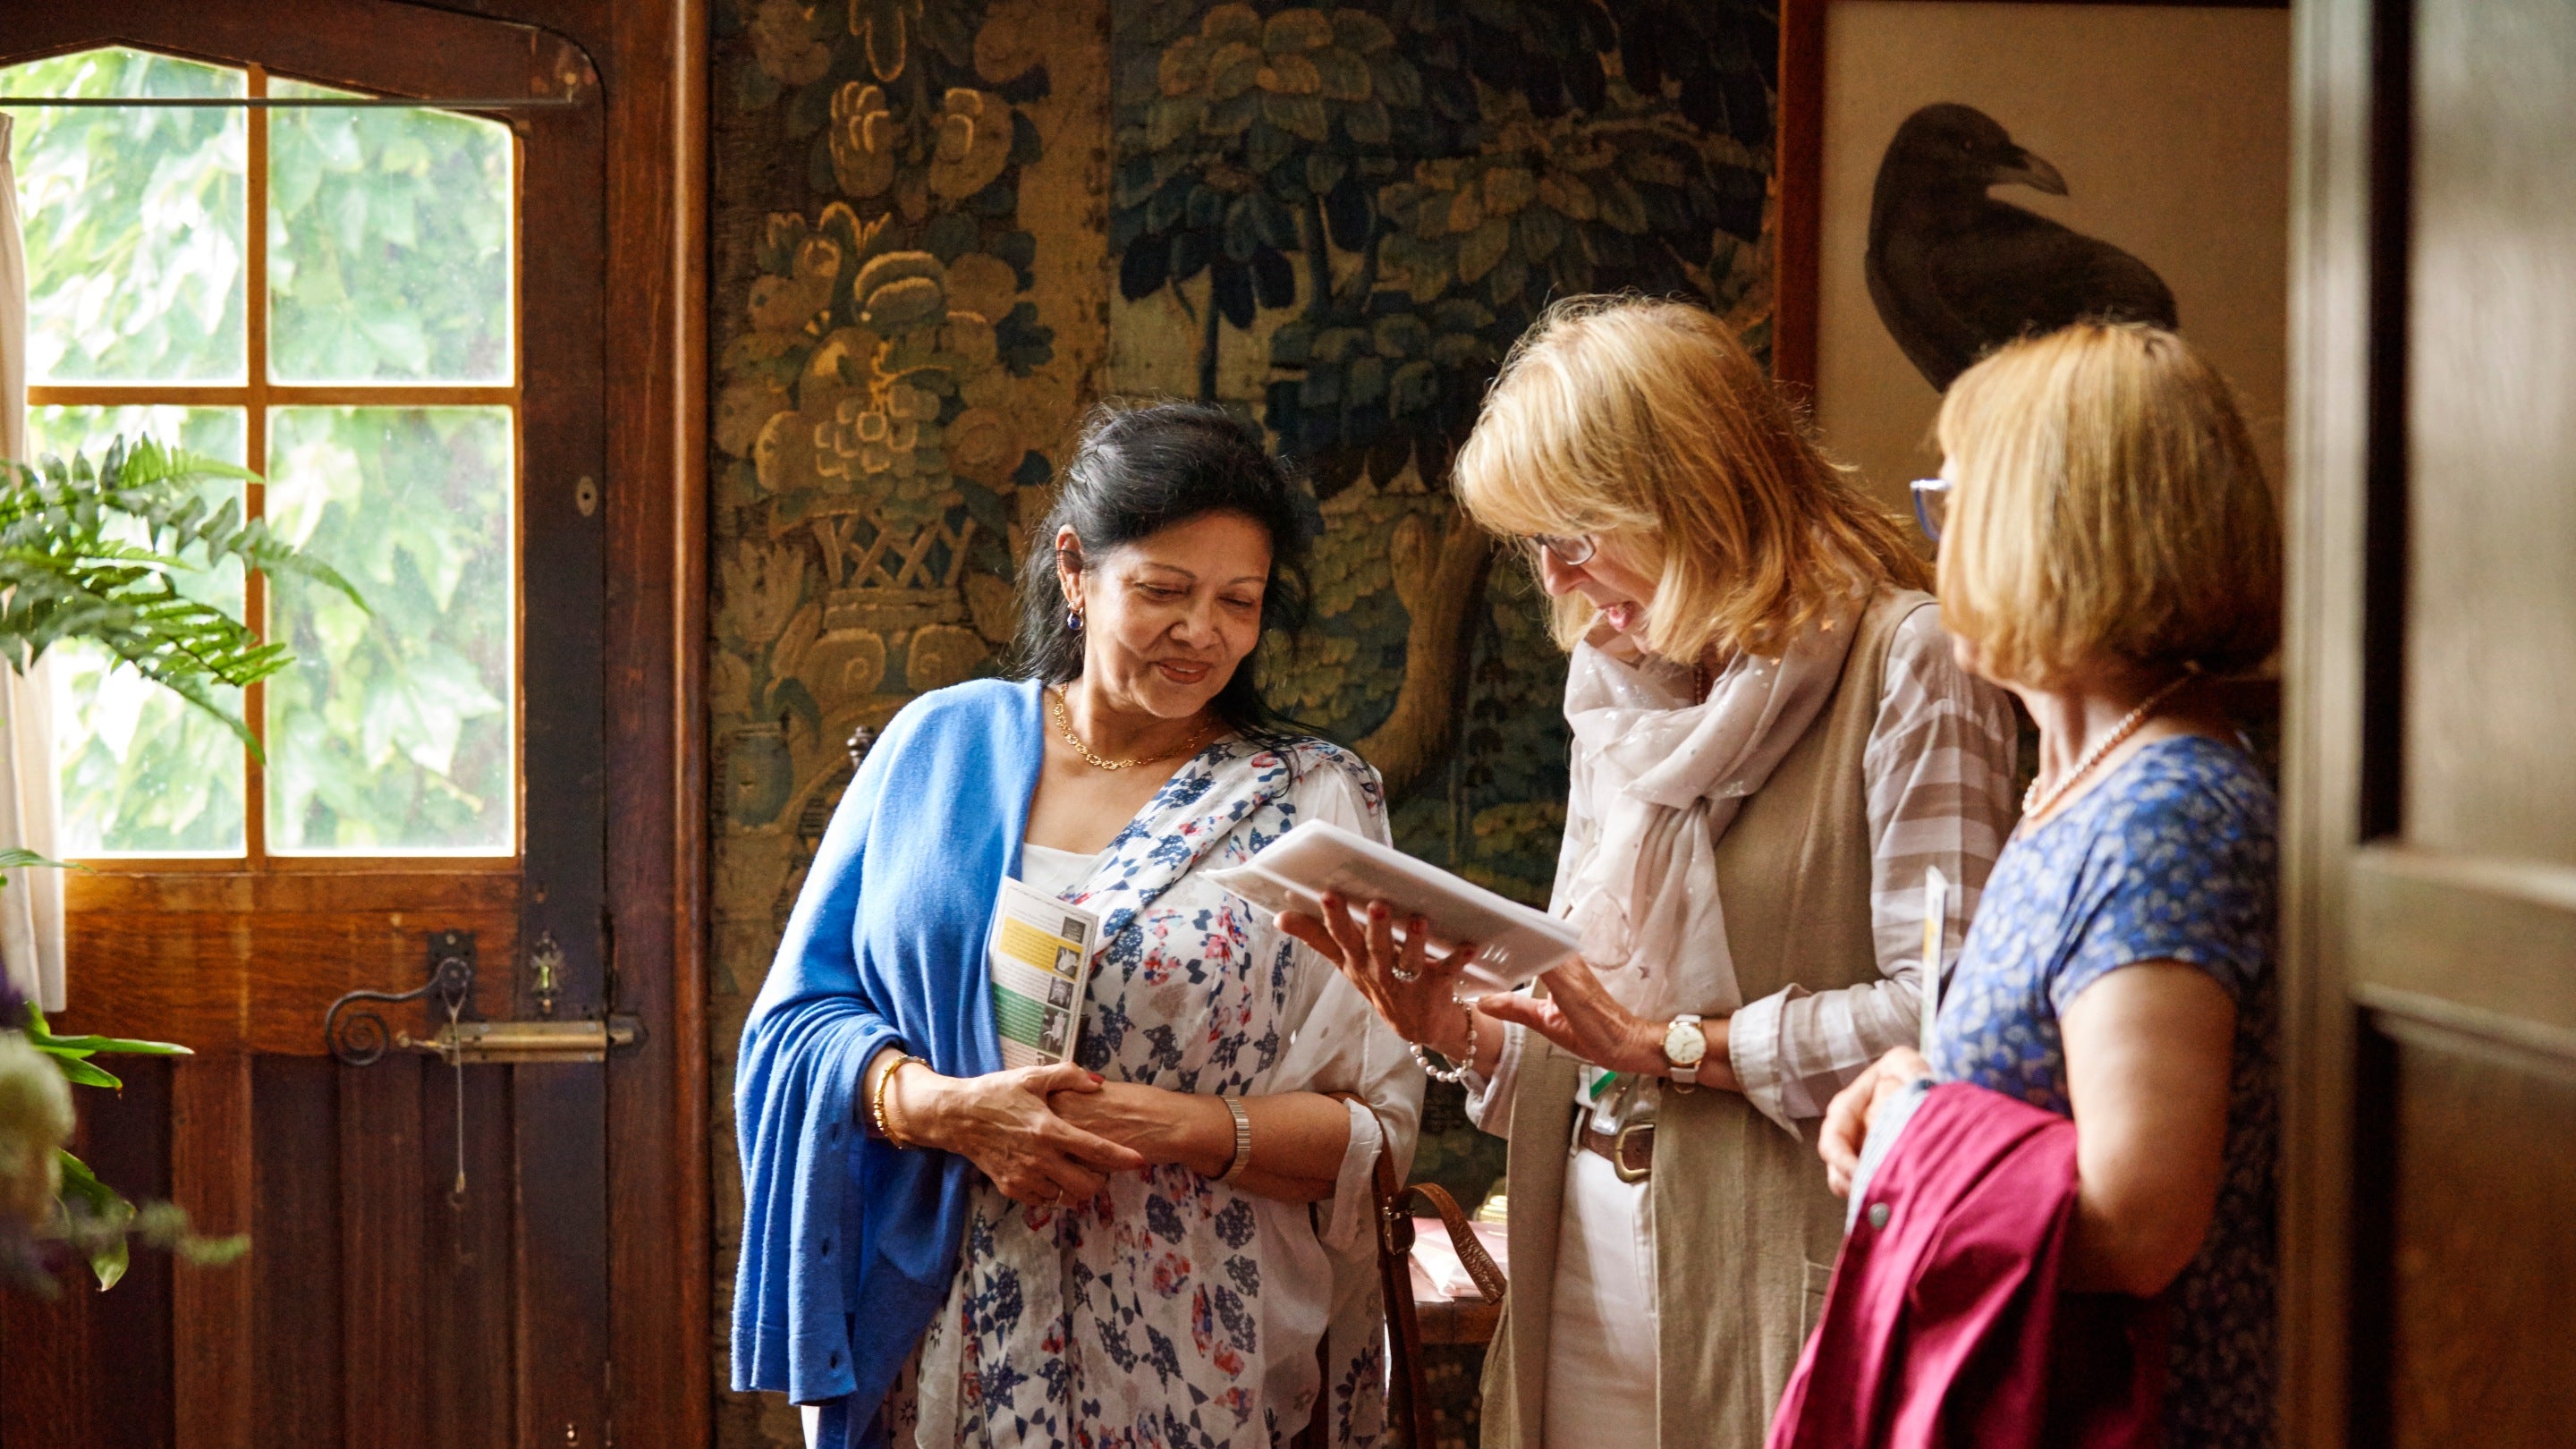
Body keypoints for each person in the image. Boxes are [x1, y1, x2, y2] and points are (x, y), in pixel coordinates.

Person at [1284, 295, 2021, 1449]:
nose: (1563, 584)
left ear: (1687, 489)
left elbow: (1952, 1019)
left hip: (1785, 1268)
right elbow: (1593, 1035)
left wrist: (1678, 1049)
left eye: (1574, 537)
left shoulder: (1908, 659)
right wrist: (1458, 1027)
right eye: (1538, 550)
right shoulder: (1614, 697)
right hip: (1574, 1254)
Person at [733, 402, 1424, 1449]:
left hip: (1204, 1354)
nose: (1204, 632)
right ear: (1075, 570)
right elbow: (796, 1024)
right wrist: (946, 1110)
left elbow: (1376, 1133)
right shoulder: (937, 750)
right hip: (951, 1336)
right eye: (1163, 591)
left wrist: (1175, 1128)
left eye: (1240, 602)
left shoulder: (1310, 801)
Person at [1819, 320, 2282, 1447]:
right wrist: (1914, 1082)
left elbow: (2138, 1220)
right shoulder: (2082, 781)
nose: (1938, 543)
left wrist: (1912, 1140)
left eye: (1953, 501)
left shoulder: (2162, 812)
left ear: (2057, 532)